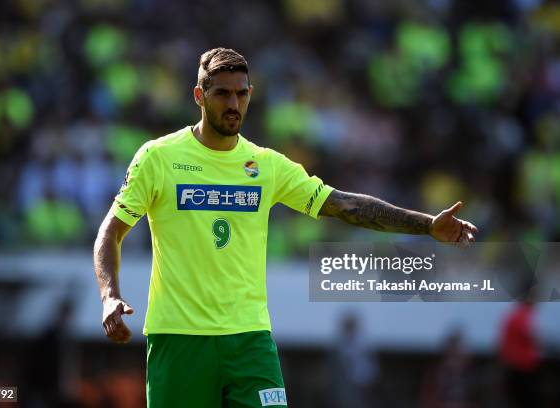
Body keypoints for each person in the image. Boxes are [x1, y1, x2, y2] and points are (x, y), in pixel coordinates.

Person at [93, 47, 478, 408]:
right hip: (178, 339)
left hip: (249, 338)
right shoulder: (158, 157)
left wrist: (427, 225)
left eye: (241, 95)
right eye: (222, 94)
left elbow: (344, 205)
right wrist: (110, 295)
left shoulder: (267, 165)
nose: (233, 104)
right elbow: (111, 231)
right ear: (199, 95)